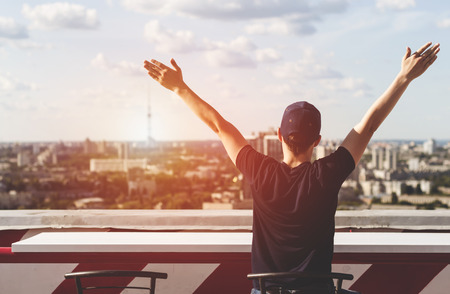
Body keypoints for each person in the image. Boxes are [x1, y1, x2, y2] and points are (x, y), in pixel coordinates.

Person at [144, 42, 440, 294]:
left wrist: (180, 88)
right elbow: (369, 124)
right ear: (318, 141)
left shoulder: (259, 171)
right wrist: (404, 78)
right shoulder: (327, 174)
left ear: (279, 136)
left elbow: (219, 126)